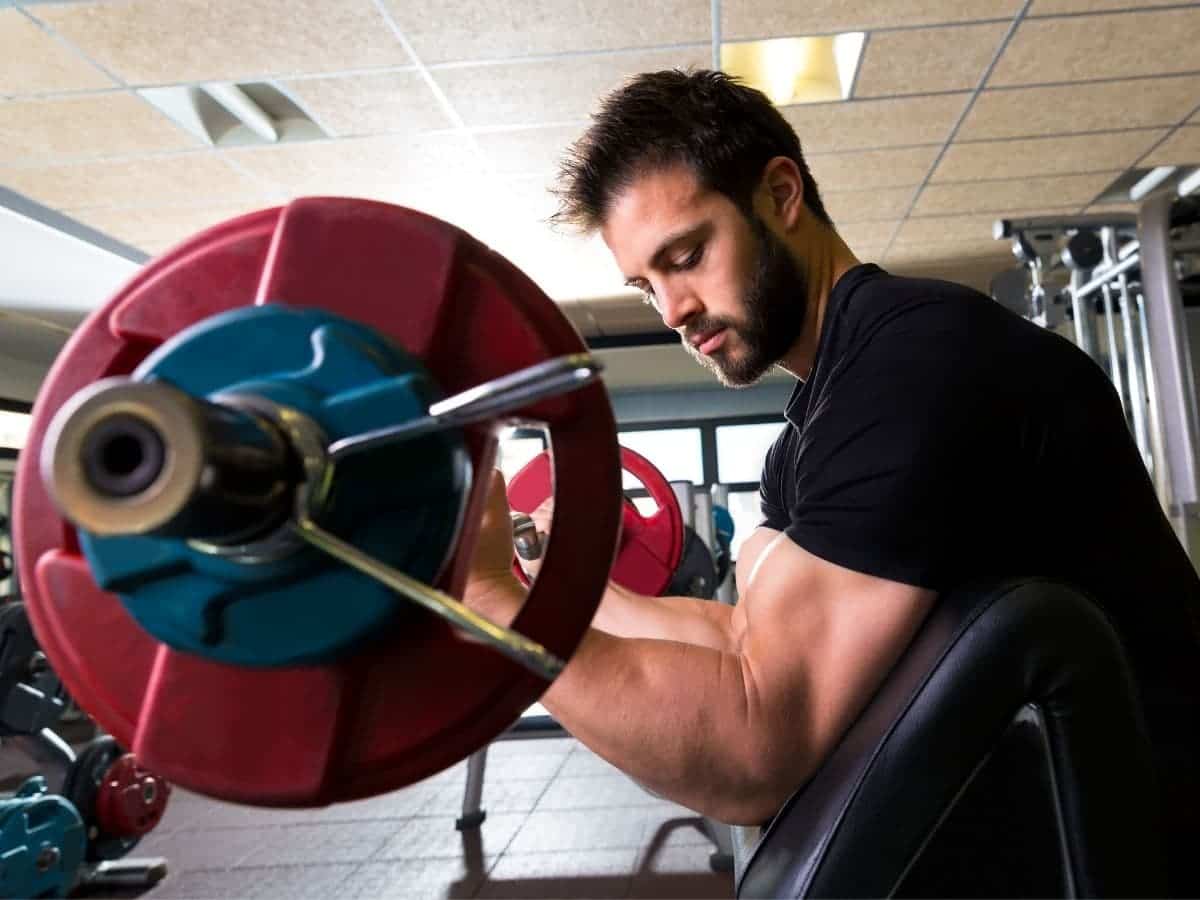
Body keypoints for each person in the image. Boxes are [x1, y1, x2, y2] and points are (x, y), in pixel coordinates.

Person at [462, 69, 1200, 887]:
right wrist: (543, 581)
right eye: (648, 282)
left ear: (780, 194)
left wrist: (494, 606)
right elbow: (741, 639)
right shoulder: (816, 424)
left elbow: (752, 747)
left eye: (688, 256)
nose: (671, 309)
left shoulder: (915, 366)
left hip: (1143, 846)